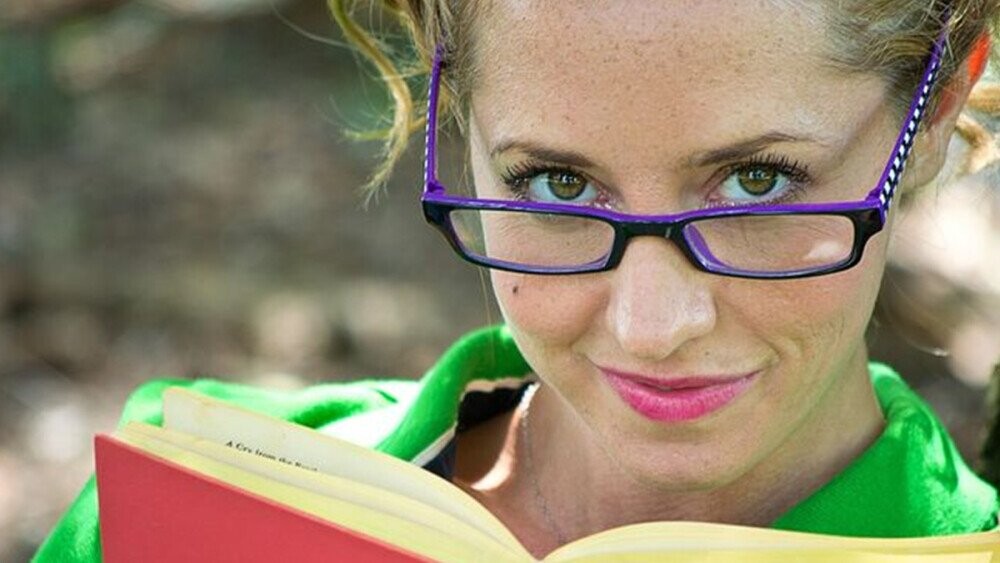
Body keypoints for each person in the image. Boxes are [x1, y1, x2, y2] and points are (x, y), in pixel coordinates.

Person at [35, 1, 1000, 560]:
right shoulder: (172, 507)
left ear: (938, 102)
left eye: (758, 181)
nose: (652, 324)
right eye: (557, 184)